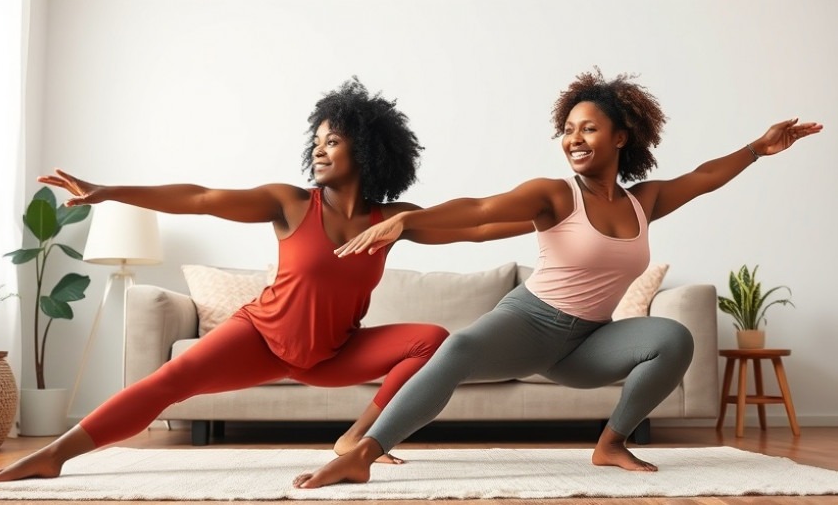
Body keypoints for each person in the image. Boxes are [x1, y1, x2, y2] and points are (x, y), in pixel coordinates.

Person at [0, 78, 535, 483]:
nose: (319, 148)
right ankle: (56, 454)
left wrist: (555, 215)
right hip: (262, 338)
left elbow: (481, 225)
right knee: (166, 383)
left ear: (367, 150)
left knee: (432, 340)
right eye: (316, 139)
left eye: (334, 140)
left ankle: (354, 439)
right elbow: (198, 198)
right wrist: (109, 191)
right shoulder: (290, 203)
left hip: (335, 353)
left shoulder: (391, 222)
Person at [294, 69, 823, 489]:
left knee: (672, 337)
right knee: (453, 351)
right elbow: (481, 210)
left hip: (589, 342)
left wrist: (757, 148)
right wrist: (411, 221)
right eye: (567, 129)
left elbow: (702, 179)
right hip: (527, 325)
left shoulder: (644, 203)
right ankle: (365, 452)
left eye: (588, 127)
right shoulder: (555, 194)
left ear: (621, 136)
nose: (574, 138)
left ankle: (611, 442)